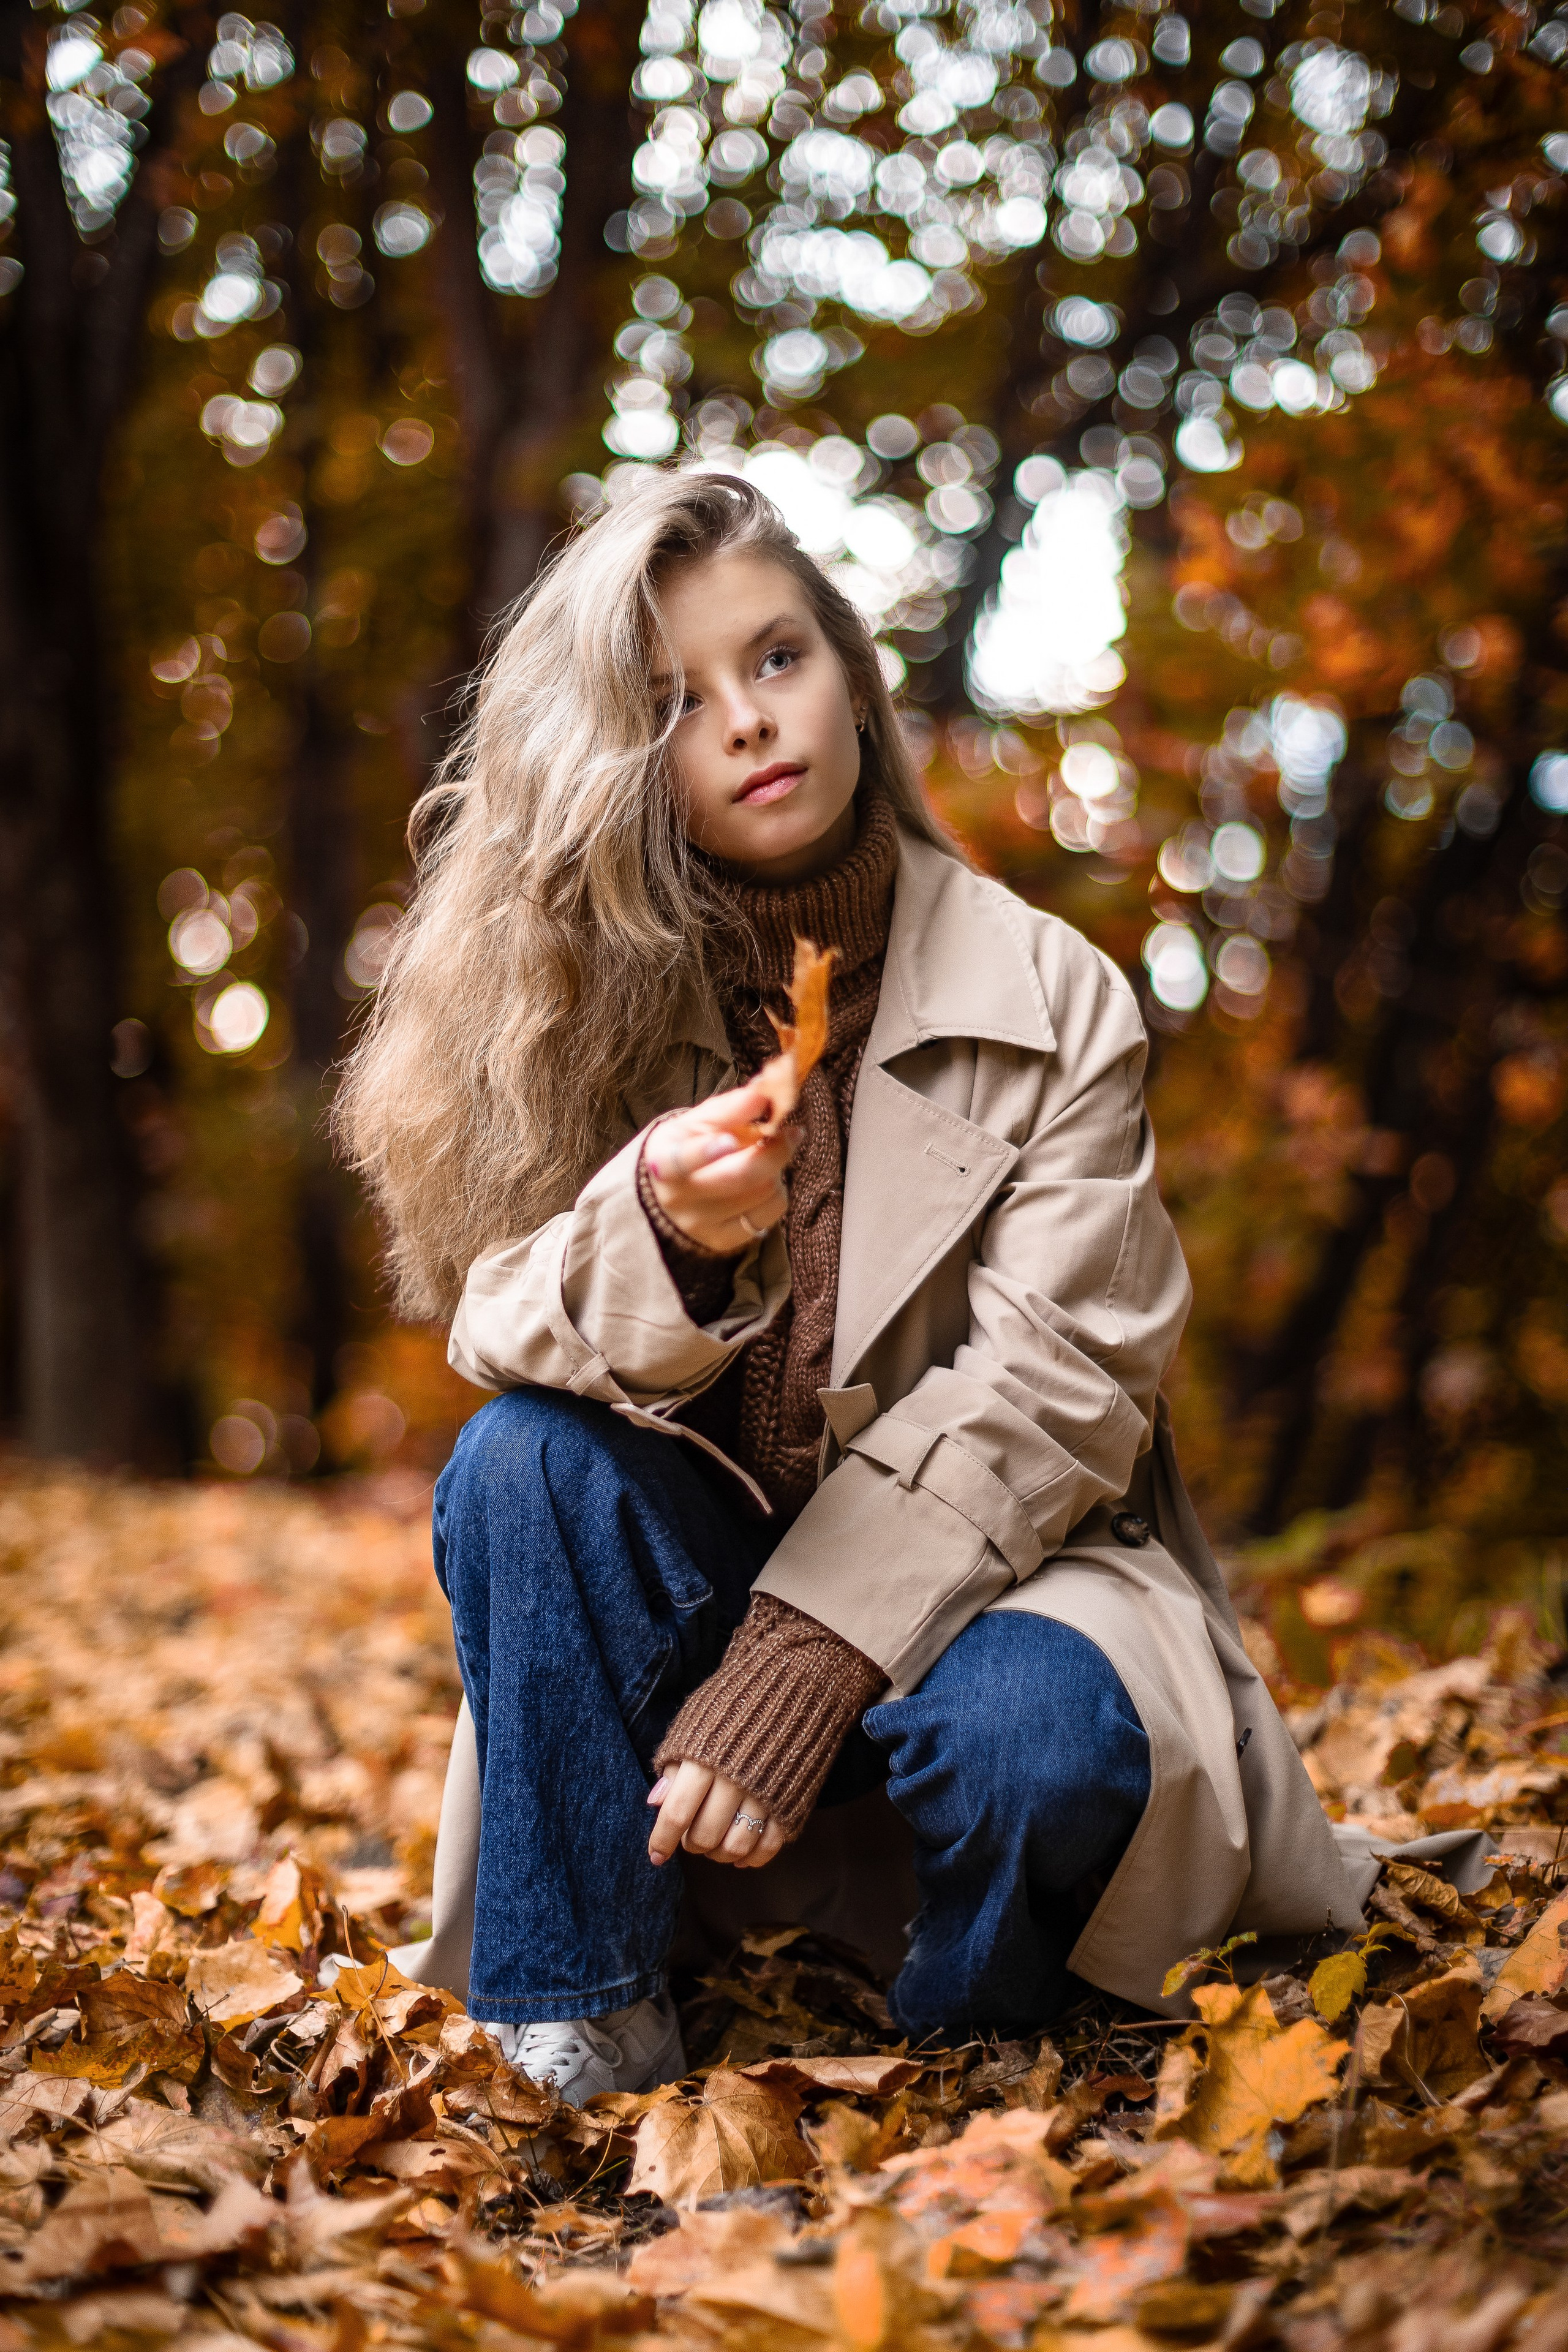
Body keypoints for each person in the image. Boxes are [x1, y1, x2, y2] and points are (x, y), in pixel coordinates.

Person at [335, 470, 1359, 2106]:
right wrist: (664, 1229)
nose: (748, 720)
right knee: (518, 1462)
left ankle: (964, 2045)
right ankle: (577, 2020)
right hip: (692, 1577)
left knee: (1044, 1737)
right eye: (678, 700)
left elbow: (1064, 1386)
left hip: (1002, 1588)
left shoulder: (1052, 994)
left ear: (855, 686)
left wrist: (808, 1652)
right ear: (620, 764)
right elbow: (491, 1324)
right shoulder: (573, 1000)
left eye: (780, 657)